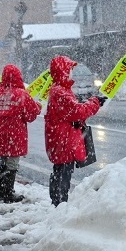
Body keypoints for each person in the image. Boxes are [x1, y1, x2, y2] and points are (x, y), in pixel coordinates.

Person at [44, 56, 107, 207]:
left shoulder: (61, 90)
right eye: (70, 69)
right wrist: (95, 102)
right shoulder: (60, 92)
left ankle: (58, 201)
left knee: (61, 171)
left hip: (62, 137)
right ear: (63, 71)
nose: (72, 72)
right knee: (63, 173)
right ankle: (59, 204)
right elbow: (77, 111)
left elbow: (71, 111)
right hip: (63, 139)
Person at [0, 64, 42, 203]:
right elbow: (30, 115)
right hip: (14, 133)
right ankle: (8, 192)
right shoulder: (21, 94)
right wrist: (38, 106)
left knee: (4, 160)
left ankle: (1, 190)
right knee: (12, 162)